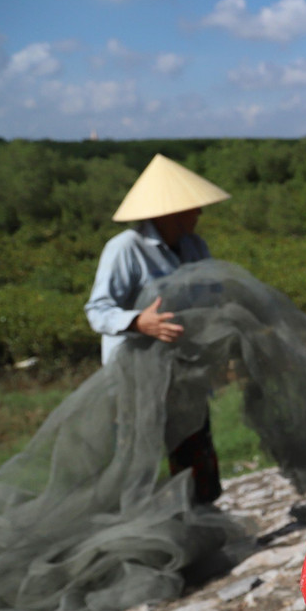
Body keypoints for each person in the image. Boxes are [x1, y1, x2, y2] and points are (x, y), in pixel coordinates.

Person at [85, 153, 231, 502]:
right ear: (170, 212)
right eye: (193, 207)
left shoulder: (195, 246)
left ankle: (201, 517)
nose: (199, 213)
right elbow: (98, 311)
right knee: (138, 456)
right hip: (137, 377)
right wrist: (139, 321)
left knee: (194, 449)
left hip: (185, 372)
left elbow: (212, 295)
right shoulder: (125, 250)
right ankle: (140, 521)